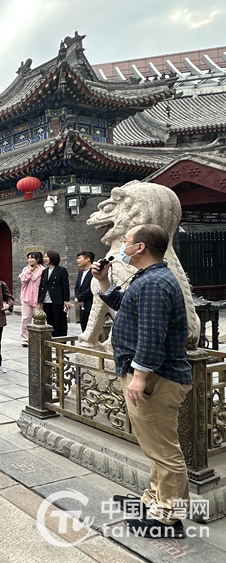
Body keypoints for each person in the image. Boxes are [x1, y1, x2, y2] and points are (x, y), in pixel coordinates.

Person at [94, 224, 190, 538]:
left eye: (126, 241)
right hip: (150, 376)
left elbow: (151, 336)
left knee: (164, 450)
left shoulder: (155, 283)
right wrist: (104, 281)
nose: (122, 245)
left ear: (140, 247)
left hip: (156, 380)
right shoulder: (147, 277)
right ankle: (154, 499)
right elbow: (126, 306)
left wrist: (139, 377)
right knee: (155, 446)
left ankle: (169, 517)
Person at [37, 250, 71, 338]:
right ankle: (52, 341)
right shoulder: (45, 271)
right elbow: (42, 286)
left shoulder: (61, 270)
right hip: (46, 301)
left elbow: (65, 286)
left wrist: (66, 300)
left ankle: (61, 342)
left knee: (60, 323)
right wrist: (40, 299)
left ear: (53, 258)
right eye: (44, 257)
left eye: (47, 257)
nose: (44, 259)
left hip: (58, 301)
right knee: (50, 323)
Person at [18, 251, 44, 347]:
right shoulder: (26, 269)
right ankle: (25, 338)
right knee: (25, 318)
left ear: (37, 259)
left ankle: (38, 338)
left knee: (38, 319)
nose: (30, 260)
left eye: (32, 258)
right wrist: (29, 271)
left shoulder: (43, 270)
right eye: (29, 258)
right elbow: (23, 281)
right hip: (27, 297)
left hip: (38, 298)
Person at [75, 251, 95, 332]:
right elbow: (77, 287)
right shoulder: (80, 273)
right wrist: (78, 298)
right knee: (83, 326)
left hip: (91, 304)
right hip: (82, 305)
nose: (77, 260)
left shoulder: (94, 272)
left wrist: (80, 298)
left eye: (79, 258)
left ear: (87, 259)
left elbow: (92, 288)